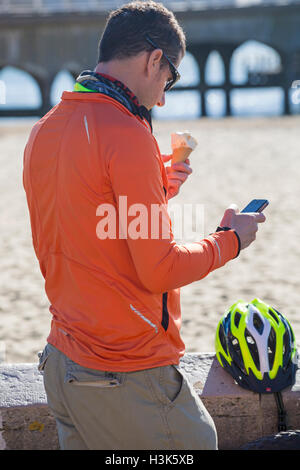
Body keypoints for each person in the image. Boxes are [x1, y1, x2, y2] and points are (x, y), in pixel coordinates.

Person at [23, 1, 266, 450]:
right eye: (170, 78)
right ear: (155, 59)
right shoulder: (128, 133)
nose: (165, 94)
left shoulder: (45, 129)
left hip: (63, 363)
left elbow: (85, 221)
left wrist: (155, 185)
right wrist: (230, 240)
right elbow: (161, 268)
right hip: (124, 371)